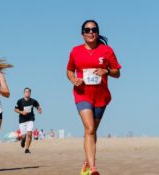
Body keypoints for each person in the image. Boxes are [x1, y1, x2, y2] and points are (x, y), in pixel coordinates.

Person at [67, 20, 121, 175]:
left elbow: (117, 72)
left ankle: (86, 162)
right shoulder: (75, 51)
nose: (91, 32)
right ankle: (93, 168)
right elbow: (69, 70)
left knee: (92, 131)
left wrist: (107, 72)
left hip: (101, 96)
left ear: (97, 32)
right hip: (82, 94)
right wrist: (73, 79)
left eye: (94, 30)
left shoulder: (107, 51)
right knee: (89, 128)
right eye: (87, 30)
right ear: (82, 33)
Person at [14, 87, 42, 154]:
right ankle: (23, 140)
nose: (27, 93)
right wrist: (21, 112)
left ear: (30, 93)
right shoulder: (20, 101)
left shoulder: (33, 101)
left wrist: (39, 109)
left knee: (29, 134)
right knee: (24, 136)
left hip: (30, 119)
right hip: (22, 120)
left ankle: (27, 149)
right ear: (24, 93)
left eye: (28, 92)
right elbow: (15, 109)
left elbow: (37, 106)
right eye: (26, 92)